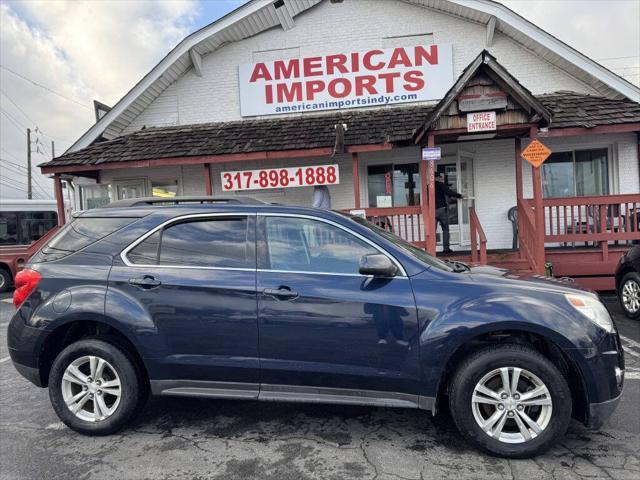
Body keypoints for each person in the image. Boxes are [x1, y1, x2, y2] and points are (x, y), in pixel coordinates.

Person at [435, 172, 463, 254]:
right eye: (439, 177)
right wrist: (460, 196)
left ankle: (431, 250)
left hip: (432, 211)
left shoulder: (428, 187)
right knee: (445, 229)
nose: (440, 178)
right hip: (441, 209)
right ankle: (446, 249)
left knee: (432, 231)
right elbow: (449, 192)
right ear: (436, 177)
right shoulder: (440, 185)